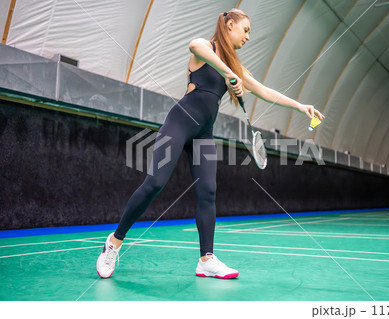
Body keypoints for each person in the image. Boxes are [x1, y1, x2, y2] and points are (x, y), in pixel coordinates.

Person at [96, 8, 325, 280]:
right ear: (229, 25)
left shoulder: (237, 68)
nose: (248, 37)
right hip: (180, 121)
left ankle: (206, 259)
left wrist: (301, 106)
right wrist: (230, 74)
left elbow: (264, 91)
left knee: (208, 192)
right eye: (246, 30)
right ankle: (114, 241)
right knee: (155, 183)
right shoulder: (206, 48)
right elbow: (193, 45)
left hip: (204, 132)